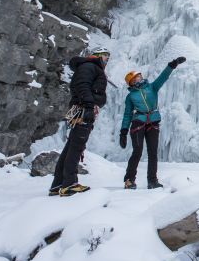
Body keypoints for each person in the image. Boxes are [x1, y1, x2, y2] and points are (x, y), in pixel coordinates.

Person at [51, 47, 110, 196]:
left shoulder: (88, 67)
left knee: (71, 146)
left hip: (82, 109)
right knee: (76, 146)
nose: (106, 60)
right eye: (105, 57)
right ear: (97, 56)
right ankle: (69, 184)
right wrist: (89, 105)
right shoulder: (90, 66)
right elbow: (82, 85)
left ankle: (58, 184)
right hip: (84, 110)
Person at [120, 56, 186, 189]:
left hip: (153, 123)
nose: (139, 78)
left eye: (139, 76)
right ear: (131, 83)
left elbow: (163, 77)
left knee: (153, 152)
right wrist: (123, 131)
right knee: (137, 152)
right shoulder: (131, 96)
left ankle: (152, 181)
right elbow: (127, 114)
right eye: (136, 78)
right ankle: (129, 180)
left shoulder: (152, 87)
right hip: (138, 124)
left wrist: (172, 65)